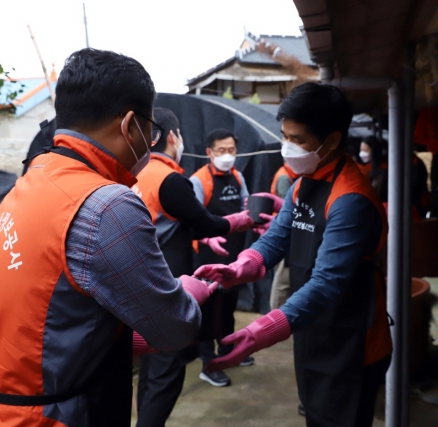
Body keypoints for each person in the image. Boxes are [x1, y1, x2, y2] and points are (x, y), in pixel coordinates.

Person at [0, 49, 219, 427]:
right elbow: (175, 327)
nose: (151, 143)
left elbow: (53, 323)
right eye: (149, 131)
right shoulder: (107, 205)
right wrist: (188, 291)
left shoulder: (29, 183)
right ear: (129, 126)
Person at [195, 82, 393, 427]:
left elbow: (327, 284)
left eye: (297, 139)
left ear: (331, 140)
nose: (287, 147)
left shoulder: (351, 199)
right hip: (314, 328)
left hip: (352, 340)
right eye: (284, 136)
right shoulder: (305, 181)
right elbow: (277, 236)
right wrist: (243, 267)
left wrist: (259, 333)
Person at [133, 107, 255, 426]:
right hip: (167, 287)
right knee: (166, 371)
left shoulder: (137, 174)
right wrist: (238, 223)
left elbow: (180, 224)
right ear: (173, 137)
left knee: (152, 367)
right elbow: (203, 221)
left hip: (140, 285)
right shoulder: (171, 180)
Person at [189, 129, 252, 387]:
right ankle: (208, 362)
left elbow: (245, 206)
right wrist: (207, 238)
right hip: (206, 258)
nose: (227, 156)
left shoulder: (237, 176)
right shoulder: (198, 180)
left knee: (228, 306)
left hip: (233, 256)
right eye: (222, 151)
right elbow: (191, 220)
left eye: (232, 151)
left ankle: (227, 351)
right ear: (209, 152)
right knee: (207, 310)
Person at [269, 162, 300, 309]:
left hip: (294, 235)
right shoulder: (284, 177)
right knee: (282, 282)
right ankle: (274, 317)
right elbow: (287, 208)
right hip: (285, 234)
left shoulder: (295, 175)